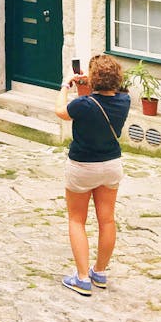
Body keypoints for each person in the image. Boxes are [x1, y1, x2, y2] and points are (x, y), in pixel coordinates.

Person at [55, 54, 130, 296]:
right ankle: (99, 271)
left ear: (93, 78)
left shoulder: (83, 104)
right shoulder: (124, 101)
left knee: (77, 220)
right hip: (111, 164)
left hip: (82, 167)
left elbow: (61, 111)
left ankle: (82, 277)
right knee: (107, 219)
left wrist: (66, 85)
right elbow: (95, 106)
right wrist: (90, 86)